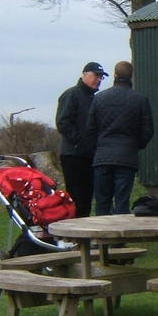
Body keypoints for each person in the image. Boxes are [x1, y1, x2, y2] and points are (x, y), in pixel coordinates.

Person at [86, 61, 154, 215]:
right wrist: (136, 145)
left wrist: (97, 147)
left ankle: (102, 236)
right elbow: (148, 130)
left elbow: (90, 129)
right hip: (126, 156)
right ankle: (120, 238)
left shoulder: (99, 98)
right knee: (122, 201)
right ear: (131, 76)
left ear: (115, 75)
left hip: (102, 156)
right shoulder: (140, 99)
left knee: (102, 202)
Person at [55, 62, 105, 217]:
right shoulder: (71, 95)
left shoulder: (94, 99)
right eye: (96, 75)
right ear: (84, 74)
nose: (98, 80)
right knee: (77, 198)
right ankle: (75, 235)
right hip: (73, 155)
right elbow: (63, 122)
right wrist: (79, 141)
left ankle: (84, 235)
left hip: (89, 155)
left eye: (101, 77)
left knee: (87, 198)